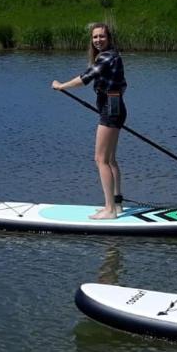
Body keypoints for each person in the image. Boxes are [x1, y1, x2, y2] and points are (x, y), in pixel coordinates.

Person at [51, 22, 128, 219]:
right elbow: (123, 85)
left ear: (109, 38)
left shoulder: (106, 57)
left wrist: (62, 86)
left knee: (100, 159)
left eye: (102, 36)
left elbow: (86, 78)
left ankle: (110, 210)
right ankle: (117, 205)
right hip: (115, 106)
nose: (98, 40)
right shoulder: (114, 56)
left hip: (111, 109)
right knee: (110, 159)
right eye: (95, 37)